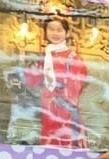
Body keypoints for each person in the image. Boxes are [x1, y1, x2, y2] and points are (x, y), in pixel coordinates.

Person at [24, 16, 88, 148]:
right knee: (49, 134)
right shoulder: (45, 54)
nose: (55, 33)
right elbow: (32, 81)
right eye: (51, 29)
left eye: (59, 30)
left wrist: (63, 95)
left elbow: (79, 80)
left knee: (65, 134)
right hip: (47, 103)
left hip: (65, 103)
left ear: (67, 33)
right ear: (45, 32)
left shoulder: (73, 57)